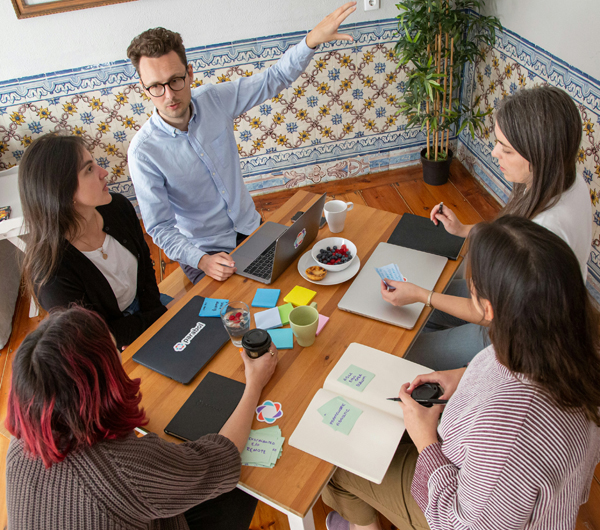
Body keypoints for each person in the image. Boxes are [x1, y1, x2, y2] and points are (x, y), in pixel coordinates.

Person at [323, 216, 600, 530]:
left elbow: (463, 524)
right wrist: (464, 375)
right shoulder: (571, 340)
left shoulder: (510, 428)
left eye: (472, 285)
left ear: (489, 308)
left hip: (461, 499)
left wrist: (425, 440)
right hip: (512, 485)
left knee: (339, 466)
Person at [127, 3, 357, 285]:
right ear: (144, 87)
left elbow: (274, 79)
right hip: (205, 252)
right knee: (237, 316)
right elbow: (160, 228)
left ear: (189, 74)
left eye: (175, 80)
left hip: (251, 228)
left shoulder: (214, 99)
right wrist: (202, 260)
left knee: (297, 285)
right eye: (156, 86)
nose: (168, 95)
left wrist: (311, 41)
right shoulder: (143, 152)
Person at [5, 305, 279, 530]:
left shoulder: (17, 448)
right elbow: (222, 459)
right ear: (104, 381)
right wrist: (254, 383)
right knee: (245, 487)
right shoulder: (126, 467)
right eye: (116, 354)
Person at [382, 85, 593, 370]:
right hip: (516, 307)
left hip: (518, 339)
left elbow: (486, 313)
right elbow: (515, 238)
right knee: (420, 312)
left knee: (400, 352)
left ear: (539, 156)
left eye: (506, 149)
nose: (494, 153)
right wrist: (464, 229)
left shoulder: (548, 228)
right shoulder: (568, 179)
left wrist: (422, 295)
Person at [19, 133, 168, 351]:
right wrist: (157, 319)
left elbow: (146, 271)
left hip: (147, 312)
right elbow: (96, 339)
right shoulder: (50, 274)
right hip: (106, 348)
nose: (103, 172)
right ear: (63, 190)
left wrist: (158, 313)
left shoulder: (118, 207)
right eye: (89, 169)